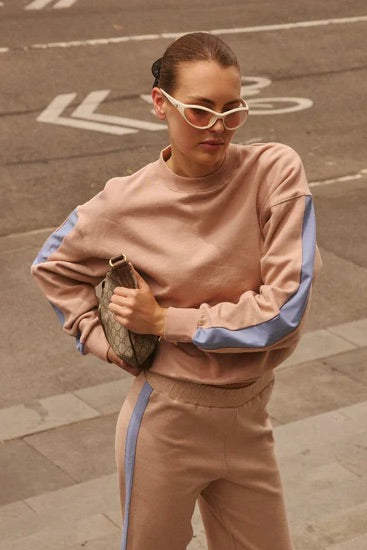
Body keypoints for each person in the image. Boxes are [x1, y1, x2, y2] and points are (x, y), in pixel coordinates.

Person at [31, 32, 322, 550]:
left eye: (233, 110)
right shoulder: (123, 202)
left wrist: (166, 322)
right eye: (201, 110)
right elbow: (53, 265)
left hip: (251, 416)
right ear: (160, 103)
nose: (218, 127)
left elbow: (284, 310)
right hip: (165, 422)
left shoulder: (274, 171)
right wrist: (104, 342)